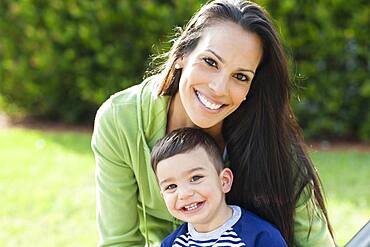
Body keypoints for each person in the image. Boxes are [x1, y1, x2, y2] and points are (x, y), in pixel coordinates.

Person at [91, 0, 336, 246]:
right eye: (210, 62)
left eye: (240, 76)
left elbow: (315, 241)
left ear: (250, 88)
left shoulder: (269, 140)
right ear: (181, 55)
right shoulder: (120, 121)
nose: (218, 88)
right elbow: (119, 241)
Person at [151, 127, 288, 247]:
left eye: (195, 178)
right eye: (171, 186)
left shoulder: (260, 237)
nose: (184, 194)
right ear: (162, 195)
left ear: (224, 181)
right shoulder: (171, 243)